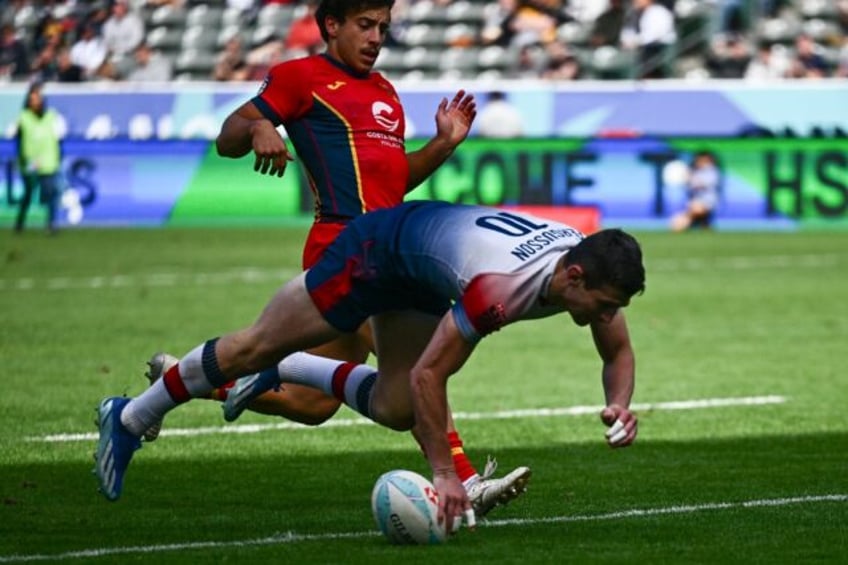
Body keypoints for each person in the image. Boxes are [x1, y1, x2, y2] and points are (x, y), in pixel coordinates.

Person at [141, 0, 530, 516]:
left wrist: (442, 145)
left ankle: (185, 377)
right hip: (345, 251)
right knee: (416, 367)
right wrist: (260, 127)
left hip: (386, 248)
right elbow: (227, 137)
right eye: (365, 25)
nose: (375, 38)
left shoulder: (385, 92)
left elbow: (391, 181)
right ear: (332, 26)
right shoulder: (300, 77)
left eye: (383, 28)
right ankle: (461, 478)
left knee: (313, 404)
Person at [94, 201, 646, 533]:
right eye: (604, 304)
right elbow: (433, 374)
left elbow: (617, 351)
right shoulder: (497, 293)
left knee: (395, 405)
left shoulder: (586, 264)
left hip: (421, 274)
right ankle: (129, 418)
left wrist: (619, 403)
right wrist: (445, 475)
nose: (607, 315)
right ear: (574, 278)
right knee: (253, 346)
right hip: (378, 251)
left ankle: (289, 366)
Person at [13, 82, 63, 234]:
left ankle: (51, 224)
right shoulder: (23, 118)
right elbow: (18, 139)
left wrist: (59, 156)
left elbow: (59, 138)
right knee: (28, 192)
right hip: (31, 162)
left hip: (48, 161)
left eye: (38, 98)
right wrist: (22, 158)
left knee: (50, 193)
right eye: (32, 99)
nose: (36, 101)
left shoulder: (51, 116)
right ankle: (20, 223)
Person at [670, 151, 720, 232]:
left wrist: (690, 178)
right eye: (699, 160)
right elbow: (689, 186)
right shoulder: (695, 171)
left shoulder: (711, 171)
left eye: (702, 160)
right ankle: (703, 224)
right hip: (695, 203)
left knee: (692, 211)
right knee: (676, 223)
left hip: (708, 203)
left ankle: (699, 223)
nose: (699, 162)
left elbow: (701, 184)